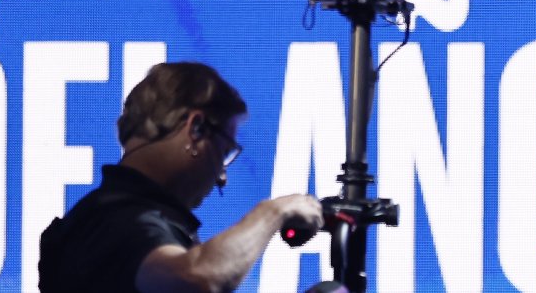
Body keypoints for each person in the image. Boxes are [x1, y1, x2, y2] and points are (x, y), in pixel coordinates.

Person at [38, 61, 324, 293]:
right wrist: (273, 211)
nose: (222, 177)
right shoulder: (123, 222)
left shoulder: (100, 218)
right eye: (223, 152)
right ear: (196, 128)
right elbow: (199, 279)